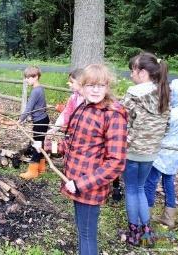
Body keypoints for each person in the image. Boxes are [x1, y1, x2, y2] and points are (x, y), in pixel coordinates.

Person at [43, 64, 128, 255]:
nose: (96, 90)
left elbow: (116, 162)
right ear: (82, 86)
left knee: (87, 235)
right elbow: (73, 144)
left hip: (88, 187)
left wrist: (81, 183)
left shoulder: (113, 115)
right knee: (82, 232)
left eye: (101, 85)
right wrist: (48, 147)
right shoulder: (83, 107)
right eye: (90, 85)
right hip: (72, 180)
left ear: (108, 86)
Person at [120, 52, 170, 246]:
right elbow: (166, 126)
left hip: (132, 151)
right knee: (139, 189)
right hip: (151, 152)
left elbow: (122, 121)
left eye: (132, 70)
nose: (131, 74)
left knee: (132, 190)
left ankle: (133, 233)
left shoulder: (134, 93)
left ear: (142, 72)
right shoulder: (164, 93)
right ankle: (146, 232)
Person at [144, 79, 178, 229]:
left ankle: (145, 214)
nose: (170, 94)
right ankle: (169, 216)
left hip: (164, 152)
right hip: (177, 154)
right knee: (168, 181)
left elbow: (160, 131)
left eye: (173, 92)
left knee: (150, 181)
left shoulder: (173, 113)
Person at [18, 66, 50, 179]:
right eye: (26, 77)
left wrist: (20, 120)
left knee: (37, 145)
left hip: (40, 122)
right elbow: (43, 106)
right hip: (44, 119)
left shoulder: (35, 91)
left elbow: (28, 108)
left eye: (28, 77)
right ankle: (41, 167)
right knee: (39, 144)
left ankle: (32, 171)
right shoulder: (40, 88)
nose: (26, 80)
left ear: (35, 77)